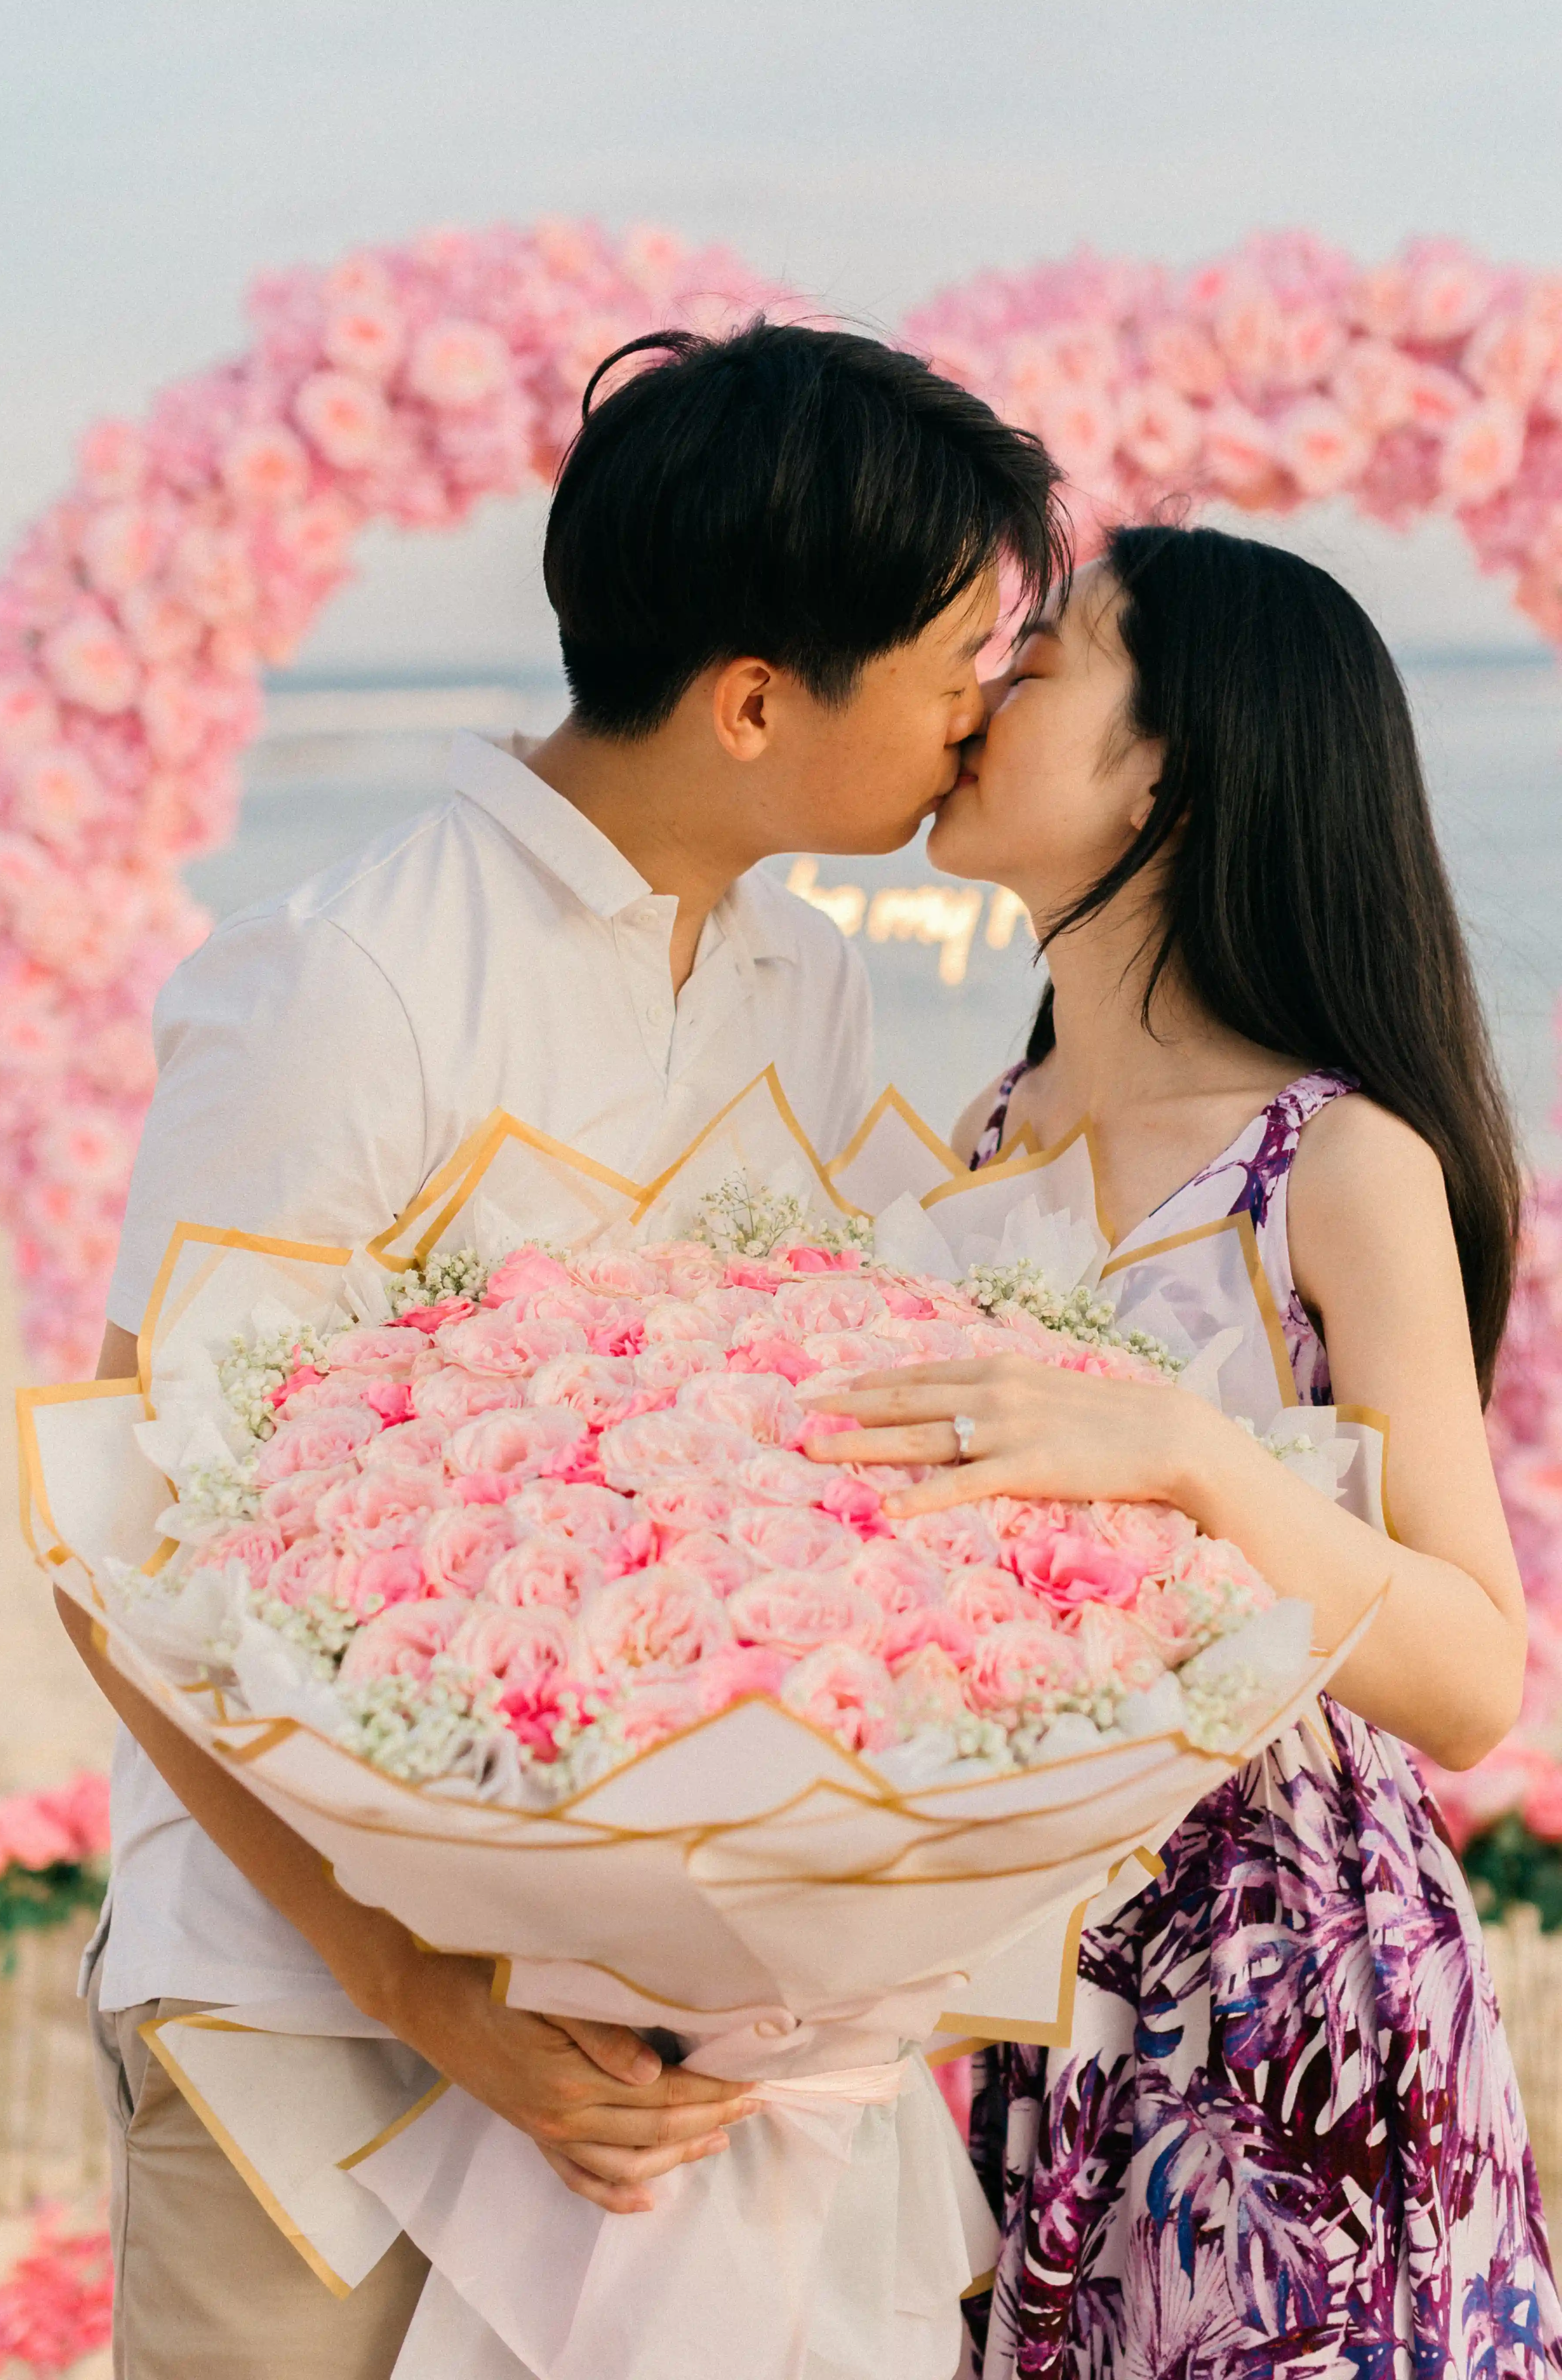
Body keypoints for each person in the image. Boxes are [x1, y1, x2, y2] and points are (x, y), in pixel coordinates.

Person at [63, 319, 1065, 2380]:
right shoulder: (351, 983)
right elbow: (122, 1562)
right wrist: (431, 2001)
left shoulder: (810, 983)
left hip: (648, 2077)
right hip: (315, 2042)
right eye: (957, 656)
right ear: (759, 700)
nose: (988, 706)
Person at [805, 525, 1562, 2379]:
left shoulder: (1338, 1164)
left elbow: (1473, 1674)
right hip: (1024, 1999)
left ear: (1174, 766)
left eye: (1045, 661)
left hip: (1287, 2000)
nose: (982, 692)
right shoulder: (971, 1145)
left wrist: (1187, 1457)